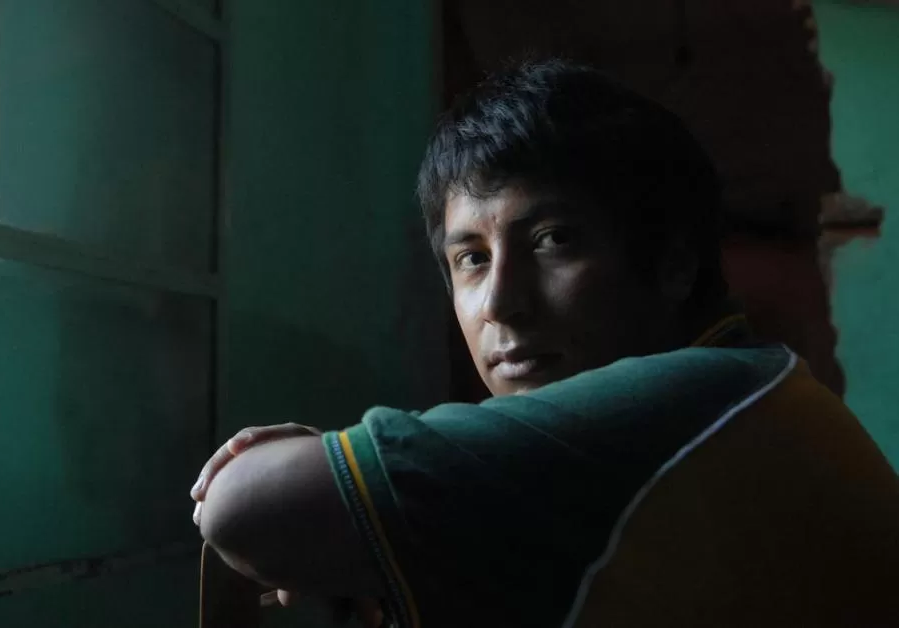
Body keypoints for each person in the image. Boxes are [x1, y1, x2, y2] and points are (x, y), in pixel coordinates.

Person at [189, 60, 899, 627]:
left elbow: (245, 504)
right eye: (471, 257)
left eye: (553, 240)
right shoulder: (752, 388)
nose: (500, 302)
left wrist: (321, 490)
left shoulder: (693, 402)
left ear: (675, 262)